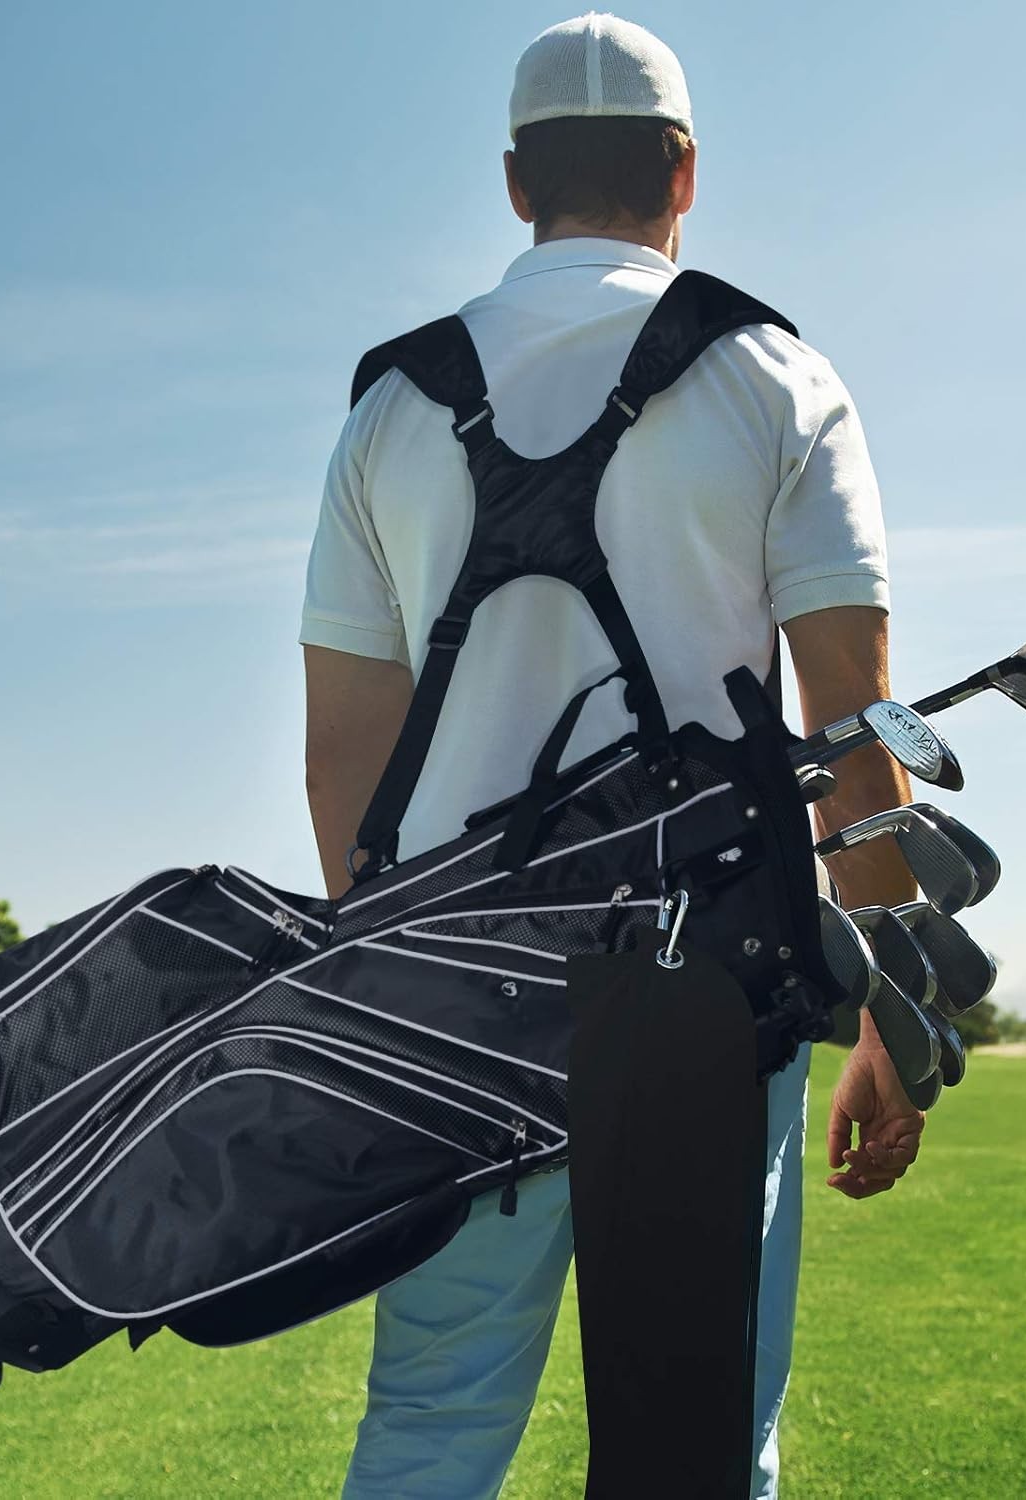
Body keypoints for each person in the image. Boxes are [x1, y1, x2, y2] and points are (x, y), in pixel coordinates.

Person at [298, 14, 924, 1497]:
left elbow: (344, 764)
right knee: (704, 1445)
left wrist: (393, 997)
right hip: (712, 990)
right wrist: (892, 1019)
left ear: (518, 182)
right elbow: (855, 724)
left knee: (431, 1431)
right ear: (684, 171)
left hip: (457, 993)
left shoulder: (389, 410)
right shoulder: (779, 377)